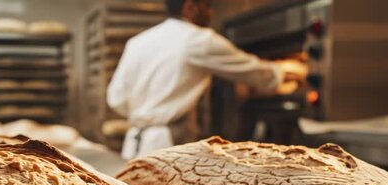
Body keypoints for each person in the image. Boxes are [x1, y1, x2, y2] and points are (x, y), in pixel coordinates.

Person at [107, 0, 307, 159]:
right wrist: (291, 69)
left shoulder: (138, 42)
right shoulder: (198, 40)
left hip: (134, 147)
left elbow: (116, 98)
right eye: (207, 6)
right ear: (190, 7)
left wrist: (146, 114)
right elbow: (251, 70)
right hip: (167, 148)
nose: (211, 13)